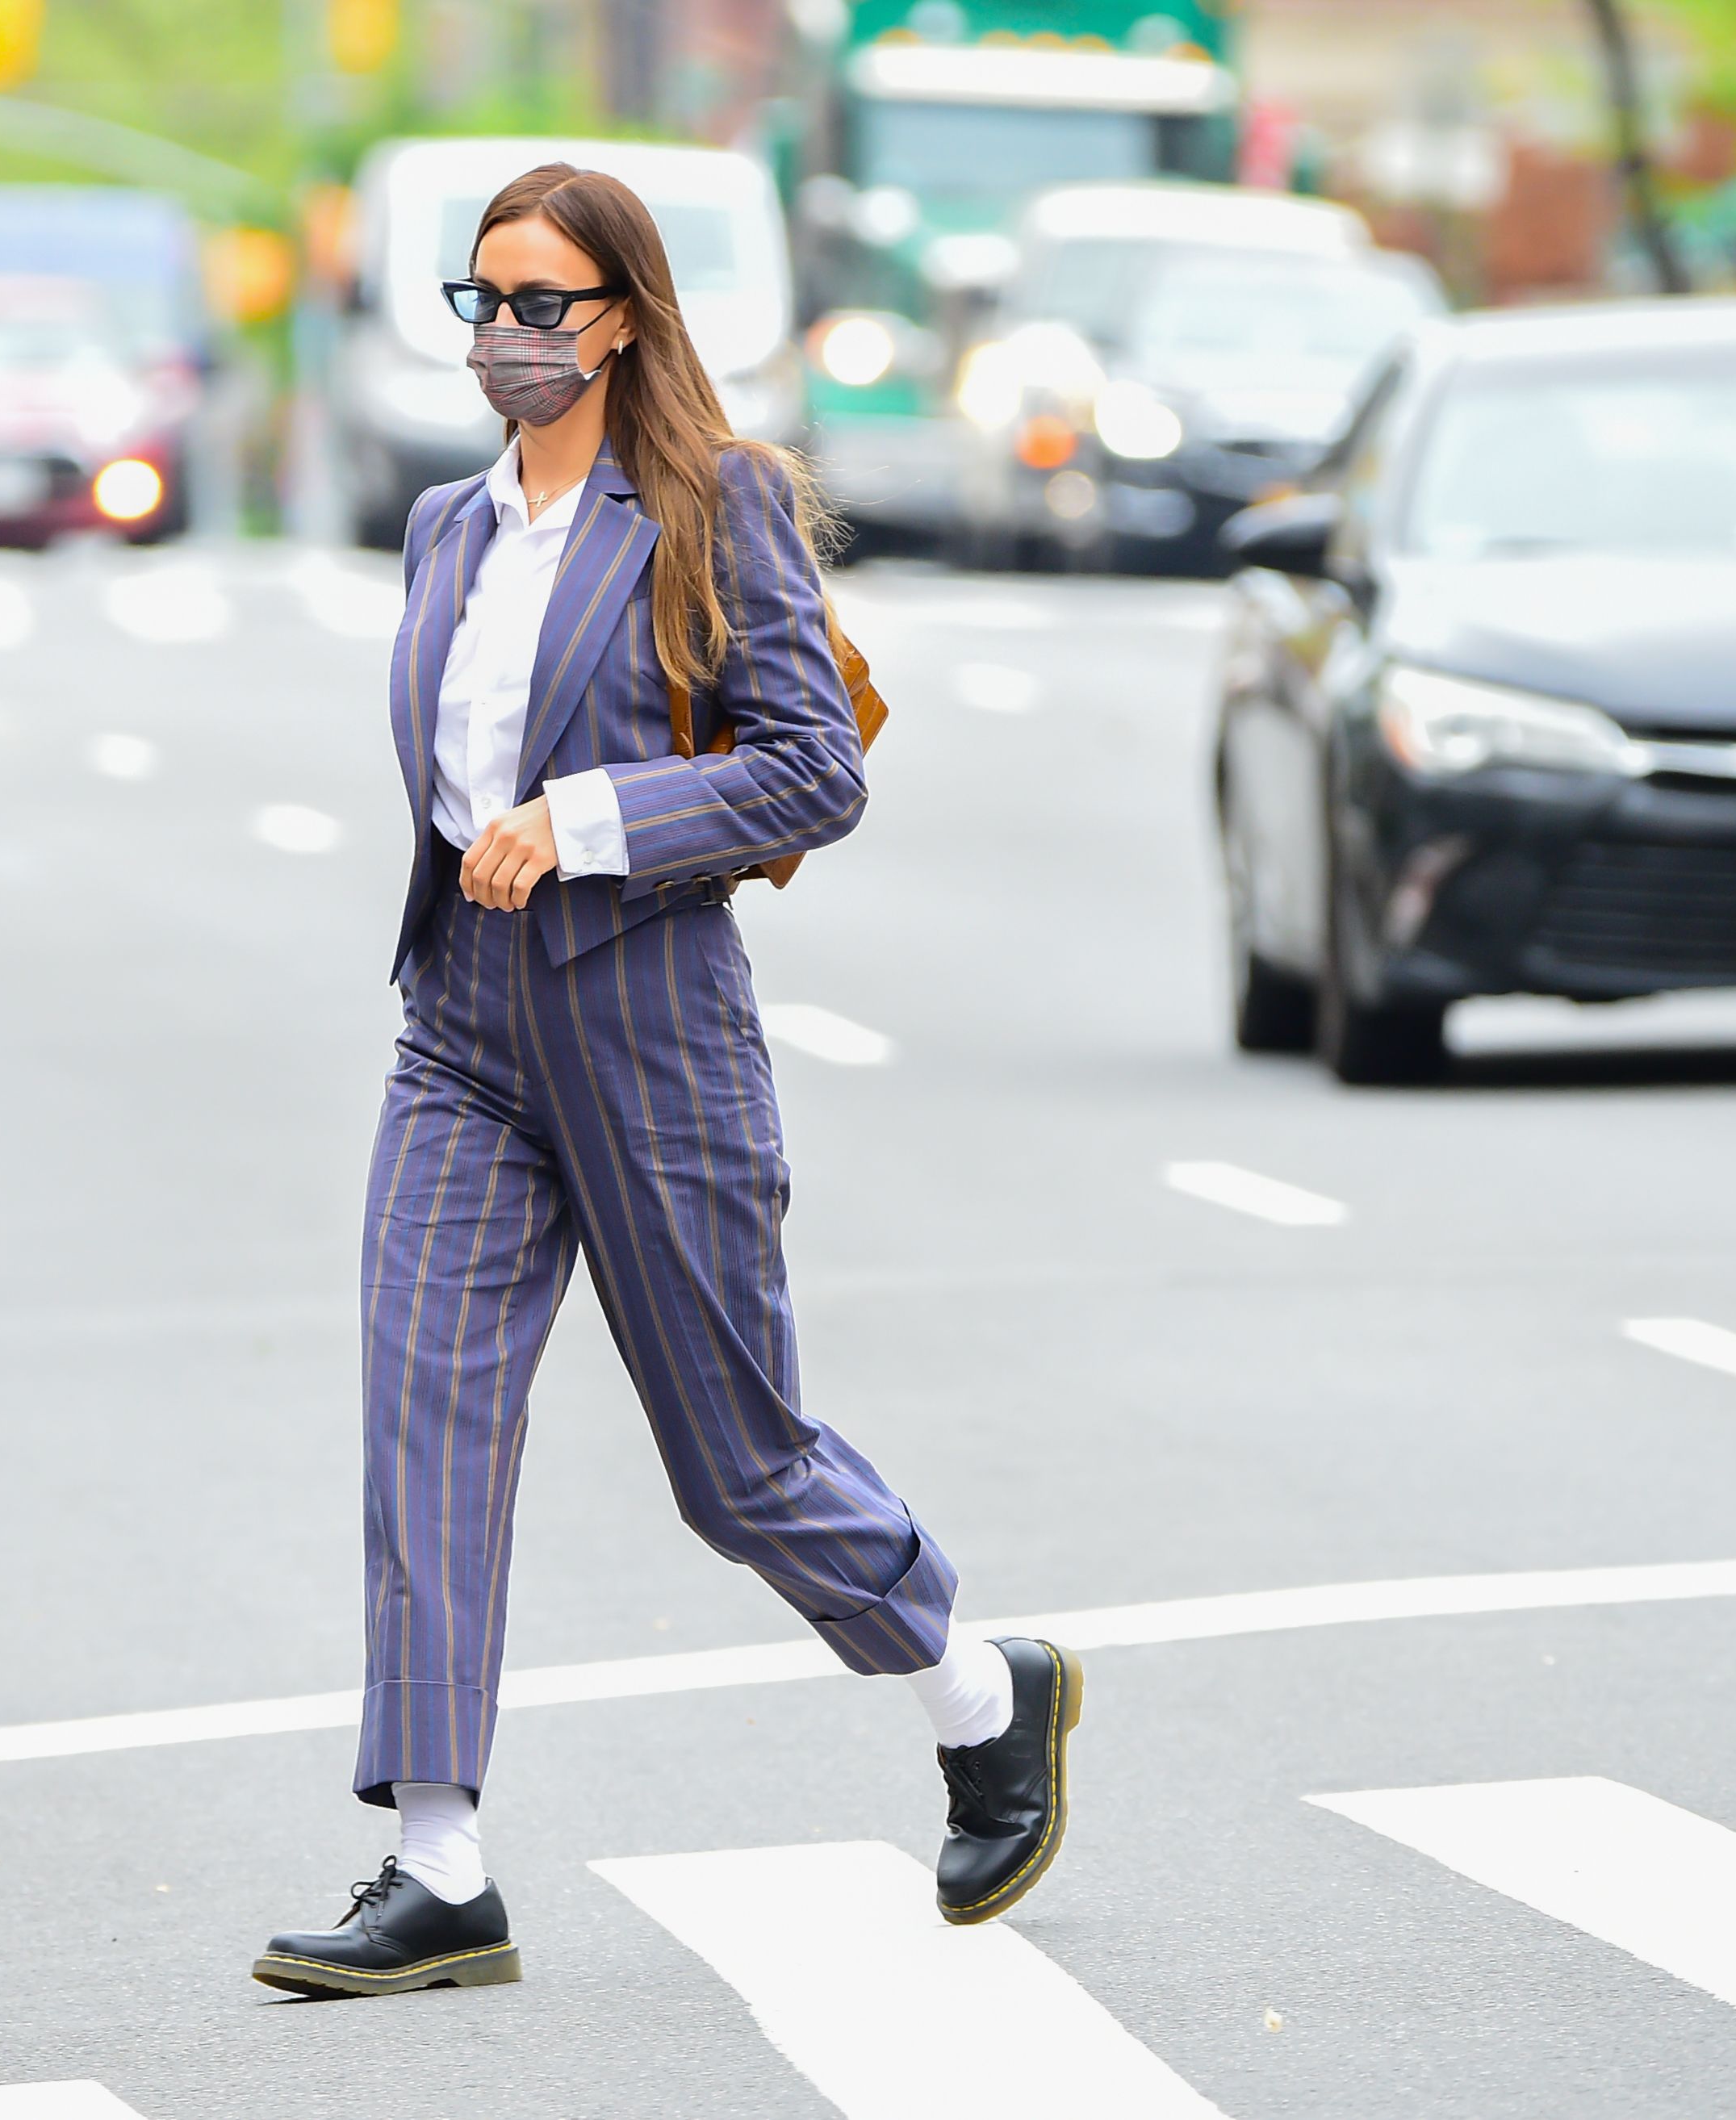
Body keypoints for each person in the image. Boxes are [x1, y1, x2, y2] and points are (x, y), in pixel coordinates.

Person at [253, 165, 1080, 2001]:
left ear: (620, 315)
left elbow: (810, 770)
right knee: (425, 1419)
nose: (506, 340)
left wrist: (593, 820)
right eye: (480, 304)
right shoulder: (446, 532)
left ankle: (974, 1683)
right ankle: (438, 1861)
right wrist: (492, 857)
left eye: (541, 306)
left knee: (737, 1462)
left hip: (647, 1019)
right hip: (463, 1030)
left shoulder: (716, 506)